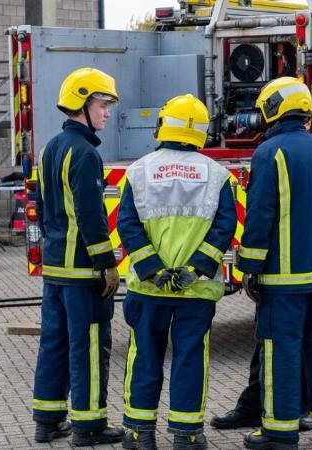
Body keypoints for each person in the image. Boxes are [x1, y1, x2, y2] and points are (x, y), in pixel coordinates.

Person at [236, 77, 312, 450]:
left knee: (281, 351)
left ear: (273, 110)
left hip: (283, 281)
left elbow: (260, 216)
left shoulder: (269, 153)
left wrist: (250, 266)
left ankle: (279, 432)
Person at [117, 94, 238, 450]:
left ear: (163, 125)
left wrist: (152, 269)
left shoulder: (138, 171)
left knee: (145, 356)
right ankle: (186, 434)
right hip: (195, 291)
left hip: (149, 289)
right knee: (190, 358)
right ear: (202, 131)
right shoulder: (217, 175)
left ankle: (140, 434)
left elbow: (127, 224)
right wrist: (197, 268)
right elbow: (224, 227)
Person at [31, 67, 124, 446]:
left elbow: (40, 206)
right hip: (81, 272)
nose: (107, 112)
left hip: (55, 269)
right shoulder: (85, 154)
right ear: (82, 106)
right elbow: (91, 216)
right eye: (103, 104)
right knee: (86, 346)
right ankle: (88, 427)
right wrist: (106, 265)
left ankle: (47, 421)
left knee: (54, 342)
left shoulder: (49, 148)